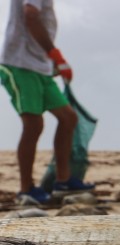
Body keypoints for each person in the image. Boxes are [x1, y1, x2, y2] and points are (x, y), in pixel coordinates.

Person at [0, 0, 94, 204]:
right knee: (33, 124)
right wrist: (55, 54)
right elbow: (31, 15)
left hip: (39, 65)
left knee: (68, 117)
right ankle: (26, 189)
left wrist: (50, 61)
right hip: (19, 63)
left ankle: (63, 181)